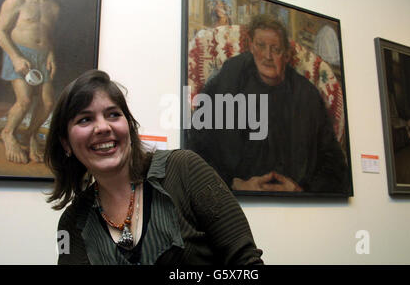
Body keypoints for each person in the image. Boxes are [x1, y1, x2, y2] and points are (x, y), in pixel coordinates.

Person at [45, 70, 263, 265]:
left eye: (113, 114)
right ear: (66, 143)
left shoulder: (185, 171)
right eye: (85, 119)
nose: (103, 127)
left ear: (129, 126)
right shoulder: (71, 225)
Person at [188, 14, 349, 193]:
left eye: (276, 49)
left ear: (287, 55)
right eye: (261, 46)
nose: (268, 56)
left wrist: (300, 190)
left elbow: (335, 166)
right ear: (251, 45)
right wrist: (235, 184)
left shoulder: (307, 95)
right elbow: (196, 143)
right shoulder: (230, 77)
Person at [0, 0, 59, 163]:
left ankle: (30, 135)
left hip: (42, 56)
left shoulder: (53, 6)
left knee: (47, 102)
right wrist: (15, 57)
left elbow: (48, 35)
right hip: (20, 53)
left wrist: (51, 55)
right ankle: (8, 133)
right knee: (25, 101)